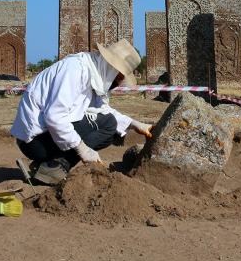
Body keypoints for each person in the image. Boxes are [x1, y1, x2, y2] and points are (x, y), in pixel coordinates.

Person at [11, 39, 153, 185]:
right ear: (112, 68)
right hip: (35, 141)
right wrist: (83, 149)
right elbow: (55, 117)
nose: (116, 83)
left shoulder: (93, 73)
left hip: (43, 138)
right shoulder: (76, 70)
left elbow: (101, 111)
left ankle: (49, 166)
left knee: (109, 127)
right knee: (108, 124)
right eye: (118, 77)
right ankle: (54, 168)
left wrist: (135, 124)